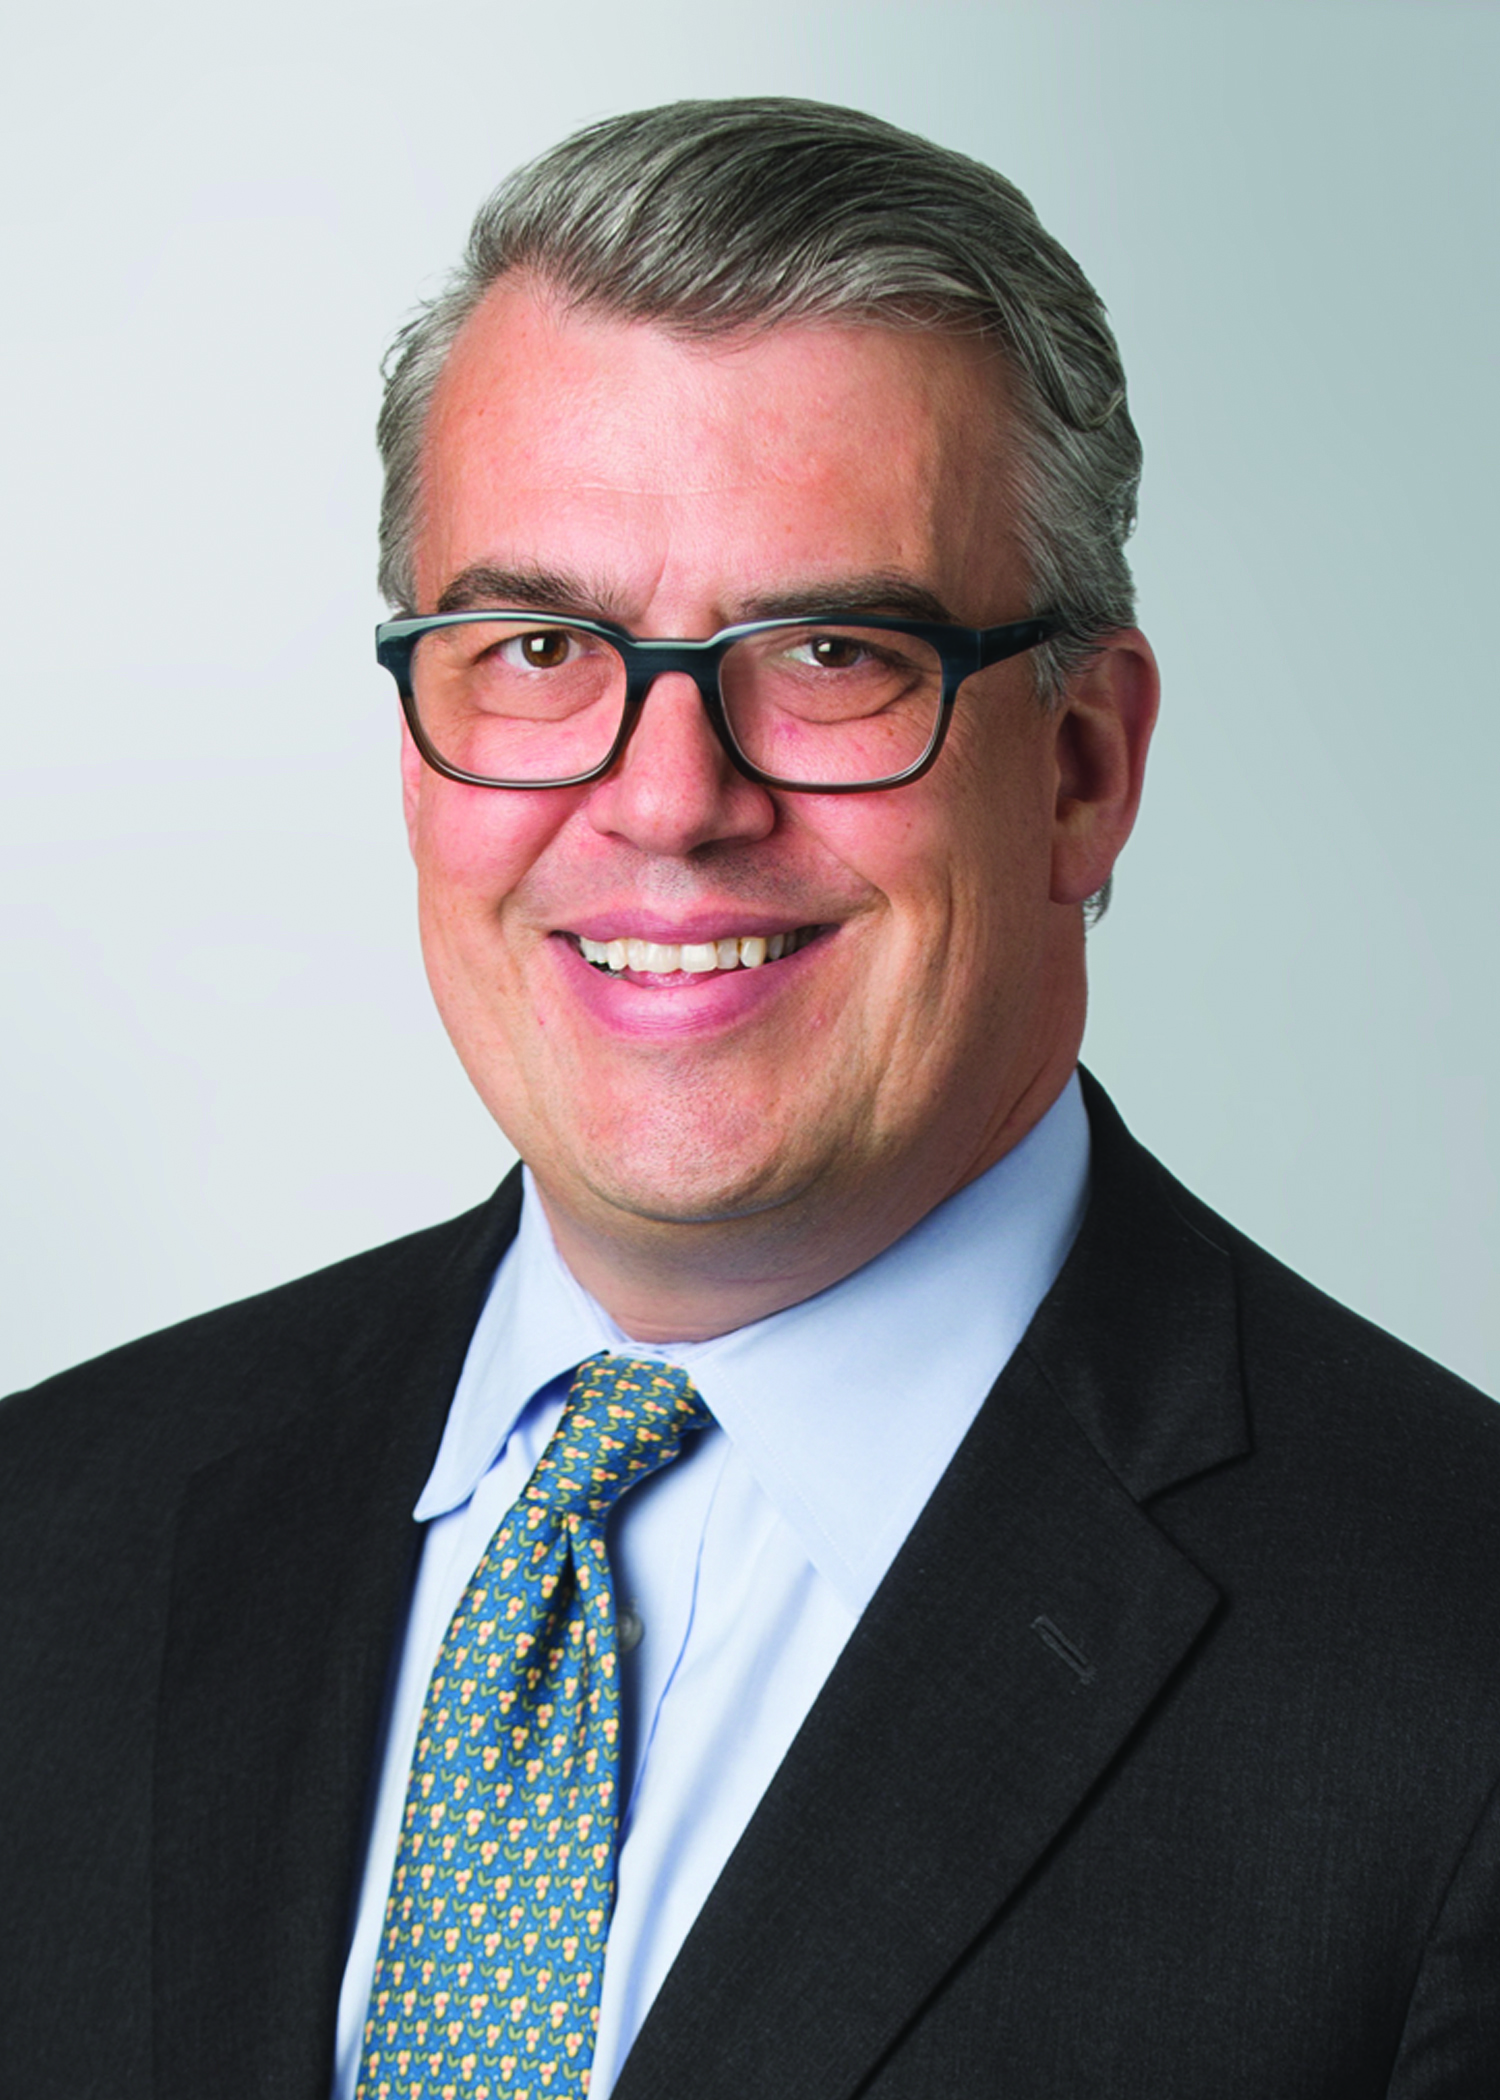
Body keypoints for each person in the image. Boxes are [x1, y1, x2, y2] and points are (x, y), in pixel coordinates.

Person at [1, 97, 1497, 2100]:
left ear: (1081, 769)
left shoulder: (1450, 1677)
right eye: (540, 645)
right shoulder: (51, 1540)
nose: (668, 799)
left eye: (829, 650)